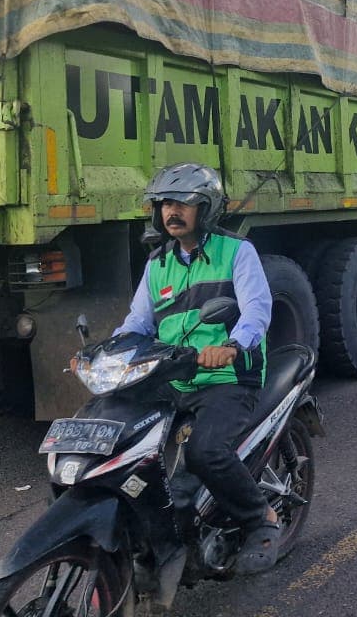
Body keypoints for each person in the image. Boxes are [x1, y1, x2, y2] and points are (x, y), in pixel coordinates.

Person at [109, 163, 281, 574]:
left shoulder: (237, 251)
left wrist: (233, 345)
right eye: (166, 203)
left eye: (184, 203)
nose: (172, 211)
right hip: (172, 377)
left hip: (225, 377)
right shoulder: (158, 263)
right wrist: (108, 352)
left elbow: (257, 309)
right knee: (119, 442)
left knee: (205, 451)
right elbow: (138, 323)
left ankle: (261, 518)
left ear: (207, 208)